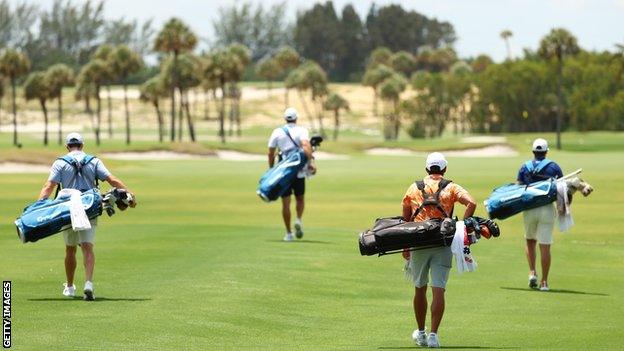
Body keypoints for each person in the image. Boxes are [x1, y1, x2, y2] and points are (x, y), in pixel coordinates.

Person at [38, 132, 136, 301]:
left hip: (67, 208)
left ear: (67, 146)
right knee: (87, 247)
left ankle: (69, 287)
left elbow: (49, 186)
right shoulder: (94, 161)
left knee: (70, 249)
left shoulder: (60, 162)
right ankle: (88, 284)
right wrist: (129, 194)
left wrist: (39, 206)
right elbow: (112, 180)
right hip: (88, 207)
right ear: (82, 145)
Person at [401, 152, 476, 348]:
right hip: (443, 243)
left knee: (419, 288)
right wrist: (462, 224)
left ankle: (421, 333)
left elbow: (406, 221)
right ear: (444, 169)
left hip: (419, 243)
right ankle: (434, 335)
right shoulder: (451, 187)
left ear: (427, 169)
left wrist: (405, 246)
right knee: (439, 289)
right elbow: (472, 202)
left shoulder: (413, 187)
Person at [516, 138, 563, 291]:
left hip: (529, 209)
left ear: (533, 152)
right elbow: (562, 189)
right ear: (546, 152)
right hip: (547, 209)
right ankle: (544, 282)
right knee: (545, 246)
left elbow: (518, 188)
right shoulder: (554, 167)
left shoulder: (525, 167)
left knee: (530, 241)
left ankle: (532, 272)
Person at [267, 108, 315, 241]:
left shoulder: (277, 132)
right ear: (296, 118)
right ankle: (298, 220)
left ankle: (288, 233)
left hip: (283, 173)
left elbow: (271, 152)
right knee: (300, 198)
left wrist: (271, 169)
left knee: (285, 203)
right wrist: (311, 162)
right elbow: (306, 146)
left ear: (285, 118)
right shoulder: (302, 130)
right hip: (299, 171)